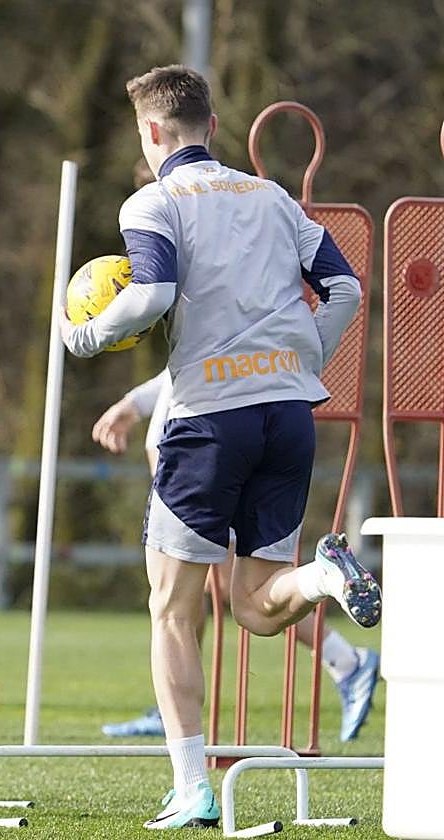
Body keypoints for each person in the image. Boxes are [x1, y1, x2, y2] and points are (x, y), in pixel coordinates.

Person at [61, 65, 376, 830]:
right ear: (211, 125)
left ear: (152, 131)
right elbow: (346, 289)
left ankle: (191, 789)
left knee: (171, 611)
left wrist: (84, 336)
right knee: (257, 607)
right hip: (288, 414)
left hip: (208, 420)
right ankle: (323, 575)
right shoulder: (272, 197)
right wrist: (304, 357)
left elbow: (152, 294)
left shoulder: (154, 200)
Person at [93, 369, 380, 742]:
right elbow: (183, 363)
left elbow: (196, 353)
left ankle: (345, 659)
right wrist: (134, 403)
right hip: (230, 434)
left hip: (202, 448)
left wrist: (126, 394)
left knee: (206, 594)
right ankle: (338, 641)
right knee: (201, 593)